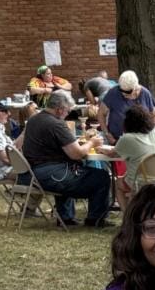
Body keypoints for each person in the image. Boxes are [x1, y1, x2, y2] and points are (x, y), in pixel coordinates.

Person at [18, 90, 113, 227]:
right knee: (101, 177)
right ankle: (95, 219)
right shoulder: (56, 124)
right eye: (68, 111)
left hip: (32, 173)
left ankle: (66, 218)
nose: (68, 114)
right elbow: (76, 153)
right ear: (60, 109)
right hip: (51, 175)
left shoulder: (34, 119)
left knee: (71, 168)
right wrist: (92, 142)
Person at [110, 105, 155, 208]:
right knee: (127, 178)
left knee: (117, 184)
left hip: (142, 183)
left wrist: (101, 148)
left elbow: (113, 153)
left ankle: (127, 216)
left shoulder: (128, 138)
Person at [99, 71, 155, 145]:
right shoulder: (113, 93)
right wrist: (107, 134)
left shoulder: (145, 94)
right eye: (121, 90)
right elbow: (101, 114)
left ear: (136, 88)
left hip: (142, 141)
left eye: (127, 92)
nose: (123, 94)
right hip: (117, 140)